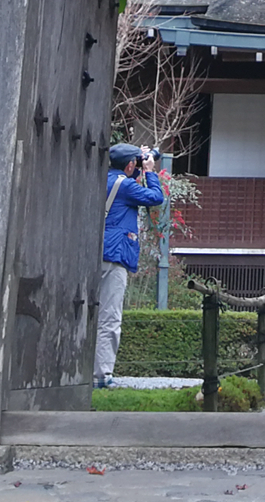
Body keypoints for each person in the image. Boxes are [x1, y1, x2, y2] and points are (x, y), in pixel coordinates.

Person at [94, 142, 164, 390]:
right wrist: (151, 171)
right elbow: (156, 198)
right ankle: (102, 376)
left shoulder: (100, 178)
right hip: (114, 256)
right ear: (131, 164)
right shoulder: (125, 186)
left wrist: (138, 165)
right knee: (109, 318)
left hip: (94, 253)